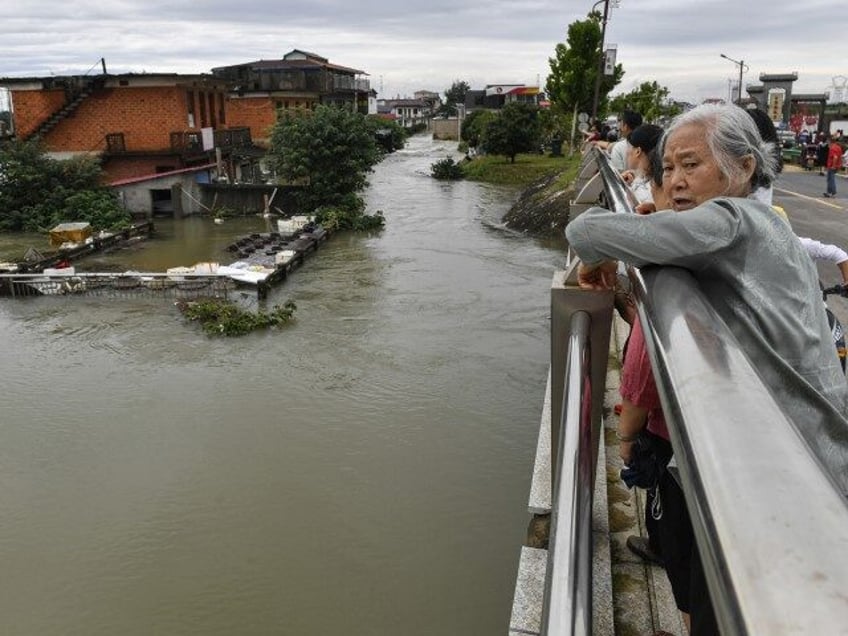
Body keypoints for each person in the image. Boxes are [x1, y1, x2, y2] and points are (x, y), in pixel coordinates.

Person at [566, 102, 848, 634]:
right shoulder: (765, 222)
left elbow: (586, 230)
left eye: (691, 165)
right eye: (667, 167)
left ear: (743, 167)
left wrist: (598, 257)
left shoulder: (730, 219)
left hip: (798, 468)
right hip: (814, 452)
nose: (673, 181)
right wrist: (662, 228)